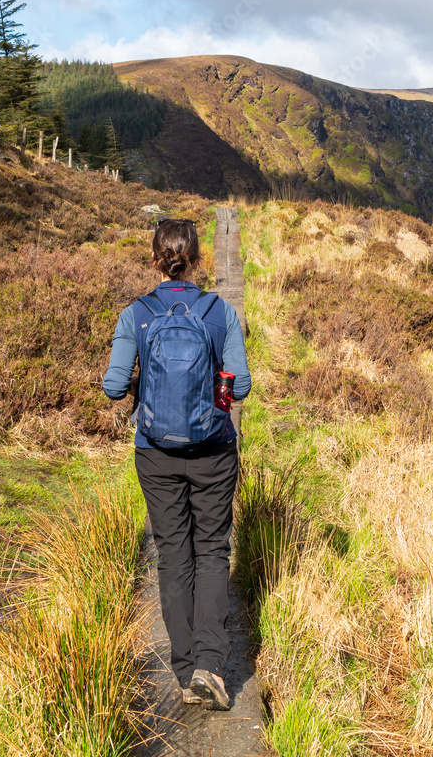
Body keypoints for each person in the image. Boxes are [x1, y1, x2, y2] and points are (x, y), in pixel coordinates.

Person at [102, 217, 251, 710]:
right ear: (199, 259)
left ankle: (186, 670)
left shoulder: (136, 313)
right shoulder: (220, 312)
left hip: (155, 453)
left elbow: (112, 385)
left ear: (154, 260)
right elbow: (242, 386)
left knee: (173, 554)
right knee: (212, 551)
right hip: (213, 451)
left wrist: (146, 391)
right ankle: (212, 665)